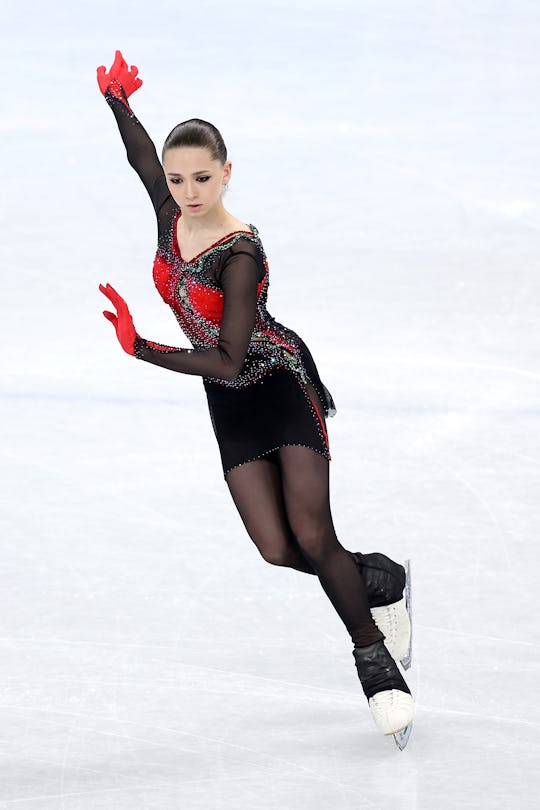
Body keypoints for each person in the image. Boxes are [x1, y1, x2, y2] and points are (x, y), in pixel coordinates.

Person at [96, 50, 414, 746]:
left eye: (202, 178)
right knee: (275, 548)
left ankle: (376, 664)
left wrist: (141, 347)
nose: (186, 191)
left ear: (227, 172)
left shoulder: (240, 251)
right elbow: (141, 161)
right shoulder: (169, 211)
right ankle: (380, 579)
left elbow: (230, 355)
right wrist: (119, 103)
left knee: (311, 534)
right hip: (228, 402)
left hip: (273, 382)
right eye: (178, 179)